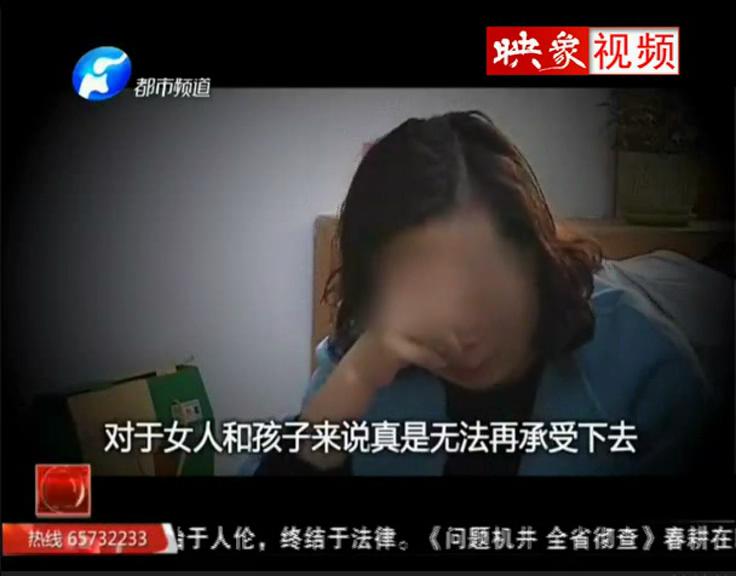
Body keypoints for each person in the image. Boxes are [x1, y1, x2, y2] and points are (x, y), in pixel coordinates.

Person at [252, 111, 713, 476]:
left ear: (534, 262)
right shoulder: (365, 357)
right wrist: (353, 383)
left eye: (484, 285)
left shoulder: (643, 366)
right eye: (424, 294)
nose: (464, 328)